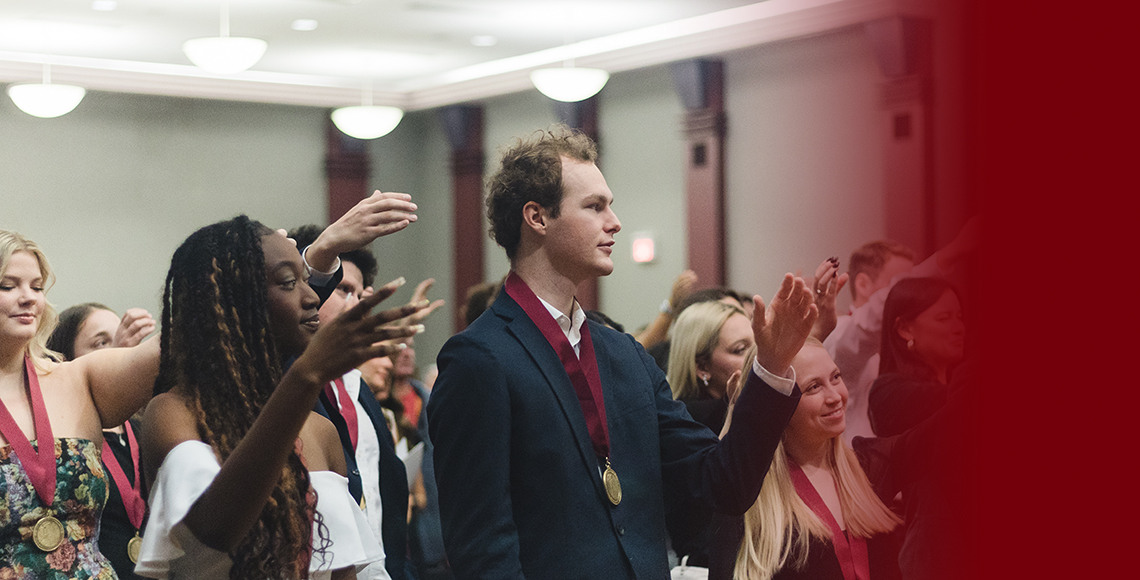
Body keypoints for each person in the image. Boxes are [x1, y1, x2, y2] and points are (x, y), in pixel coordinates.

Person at [428, 126, 817, 578]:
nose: (614, 221)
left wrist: (770, 367)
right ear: (537, 217)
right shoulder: (479, 358)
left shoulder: (624, 355)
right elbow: (482, 549)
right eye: (595, 206)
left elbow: (722, 482)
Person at [135, 217, 425, 579]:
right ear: (235, 300)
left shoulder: (320, 431)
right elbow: (216, 528)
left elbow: (345, 570)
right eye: (289, 282)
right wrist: (305, 377)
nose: (310, 298)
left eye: (307, 280)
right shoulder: (174, 411)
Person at [709, 338, 970, 580]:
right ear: (777, 406)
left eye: (836, 377)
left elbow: (950, 427)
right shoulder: (748, 496)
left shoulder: (869, 467)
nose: (836, 396)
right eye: (814, 387)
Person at [0, 230, 159, 577]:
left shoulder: (77, 378)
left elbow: (173, 346)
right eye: (7, 286)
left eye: (37, 287)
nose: (28, 298)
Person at [823, 219, 977, 442]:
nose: (910, 290)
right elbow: (876, 315)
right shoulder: (843, 337)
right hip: (863, 470)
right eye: (898, 282)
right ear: (864, 284)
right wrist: (951, 253)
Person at [47, 302, 157, 580]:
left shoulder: (144, 428)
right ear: (67, 362)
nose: (118, 354)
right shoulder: (67, 445)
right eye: (101, 344)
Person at [663, 299, 753, 567]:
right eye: (740, 349)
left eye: (757, 344)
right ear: (702, 367)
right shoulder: (687, 422)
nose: (757, 357)